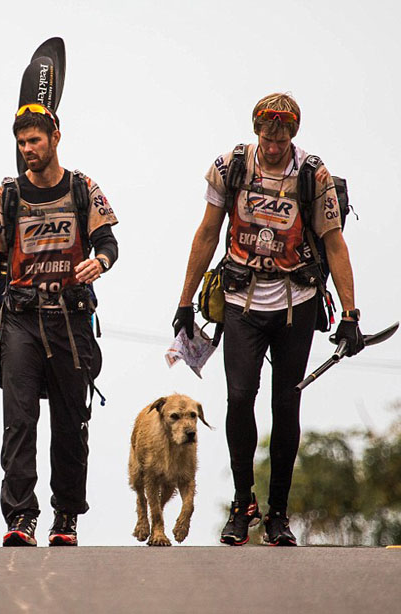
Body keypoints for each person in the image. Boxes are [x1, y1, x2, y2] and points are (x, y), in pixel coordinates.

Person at [173, 93, 364, 546]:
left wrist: (352, 312)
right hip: (242, 302)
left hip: (296, 303)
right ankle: (244, 504)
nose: (273, 146)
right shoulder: (231, 167)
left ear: (292, 136)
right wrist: (184, 301)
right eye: (266, 137)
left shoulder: (312, 175)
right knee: (239, 399)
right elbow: (207, 232)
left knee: (285, 406)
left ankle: (278, 514)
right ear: (256, 131)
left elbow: (334, 245)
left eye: (280, 139)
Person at [0, 104, 119, 547]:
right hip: (20, 319)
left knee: (71, 421)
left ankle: (66, 516)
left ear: (55, 139)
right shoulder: (7, 196)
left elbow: (108, 241)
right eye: (21, 143)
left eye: (34, 141)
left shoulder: (82, 188)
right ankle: (20, 516)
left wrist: (101, 262)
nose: (27, 150)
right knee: (19, 420)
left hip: (72, 321)